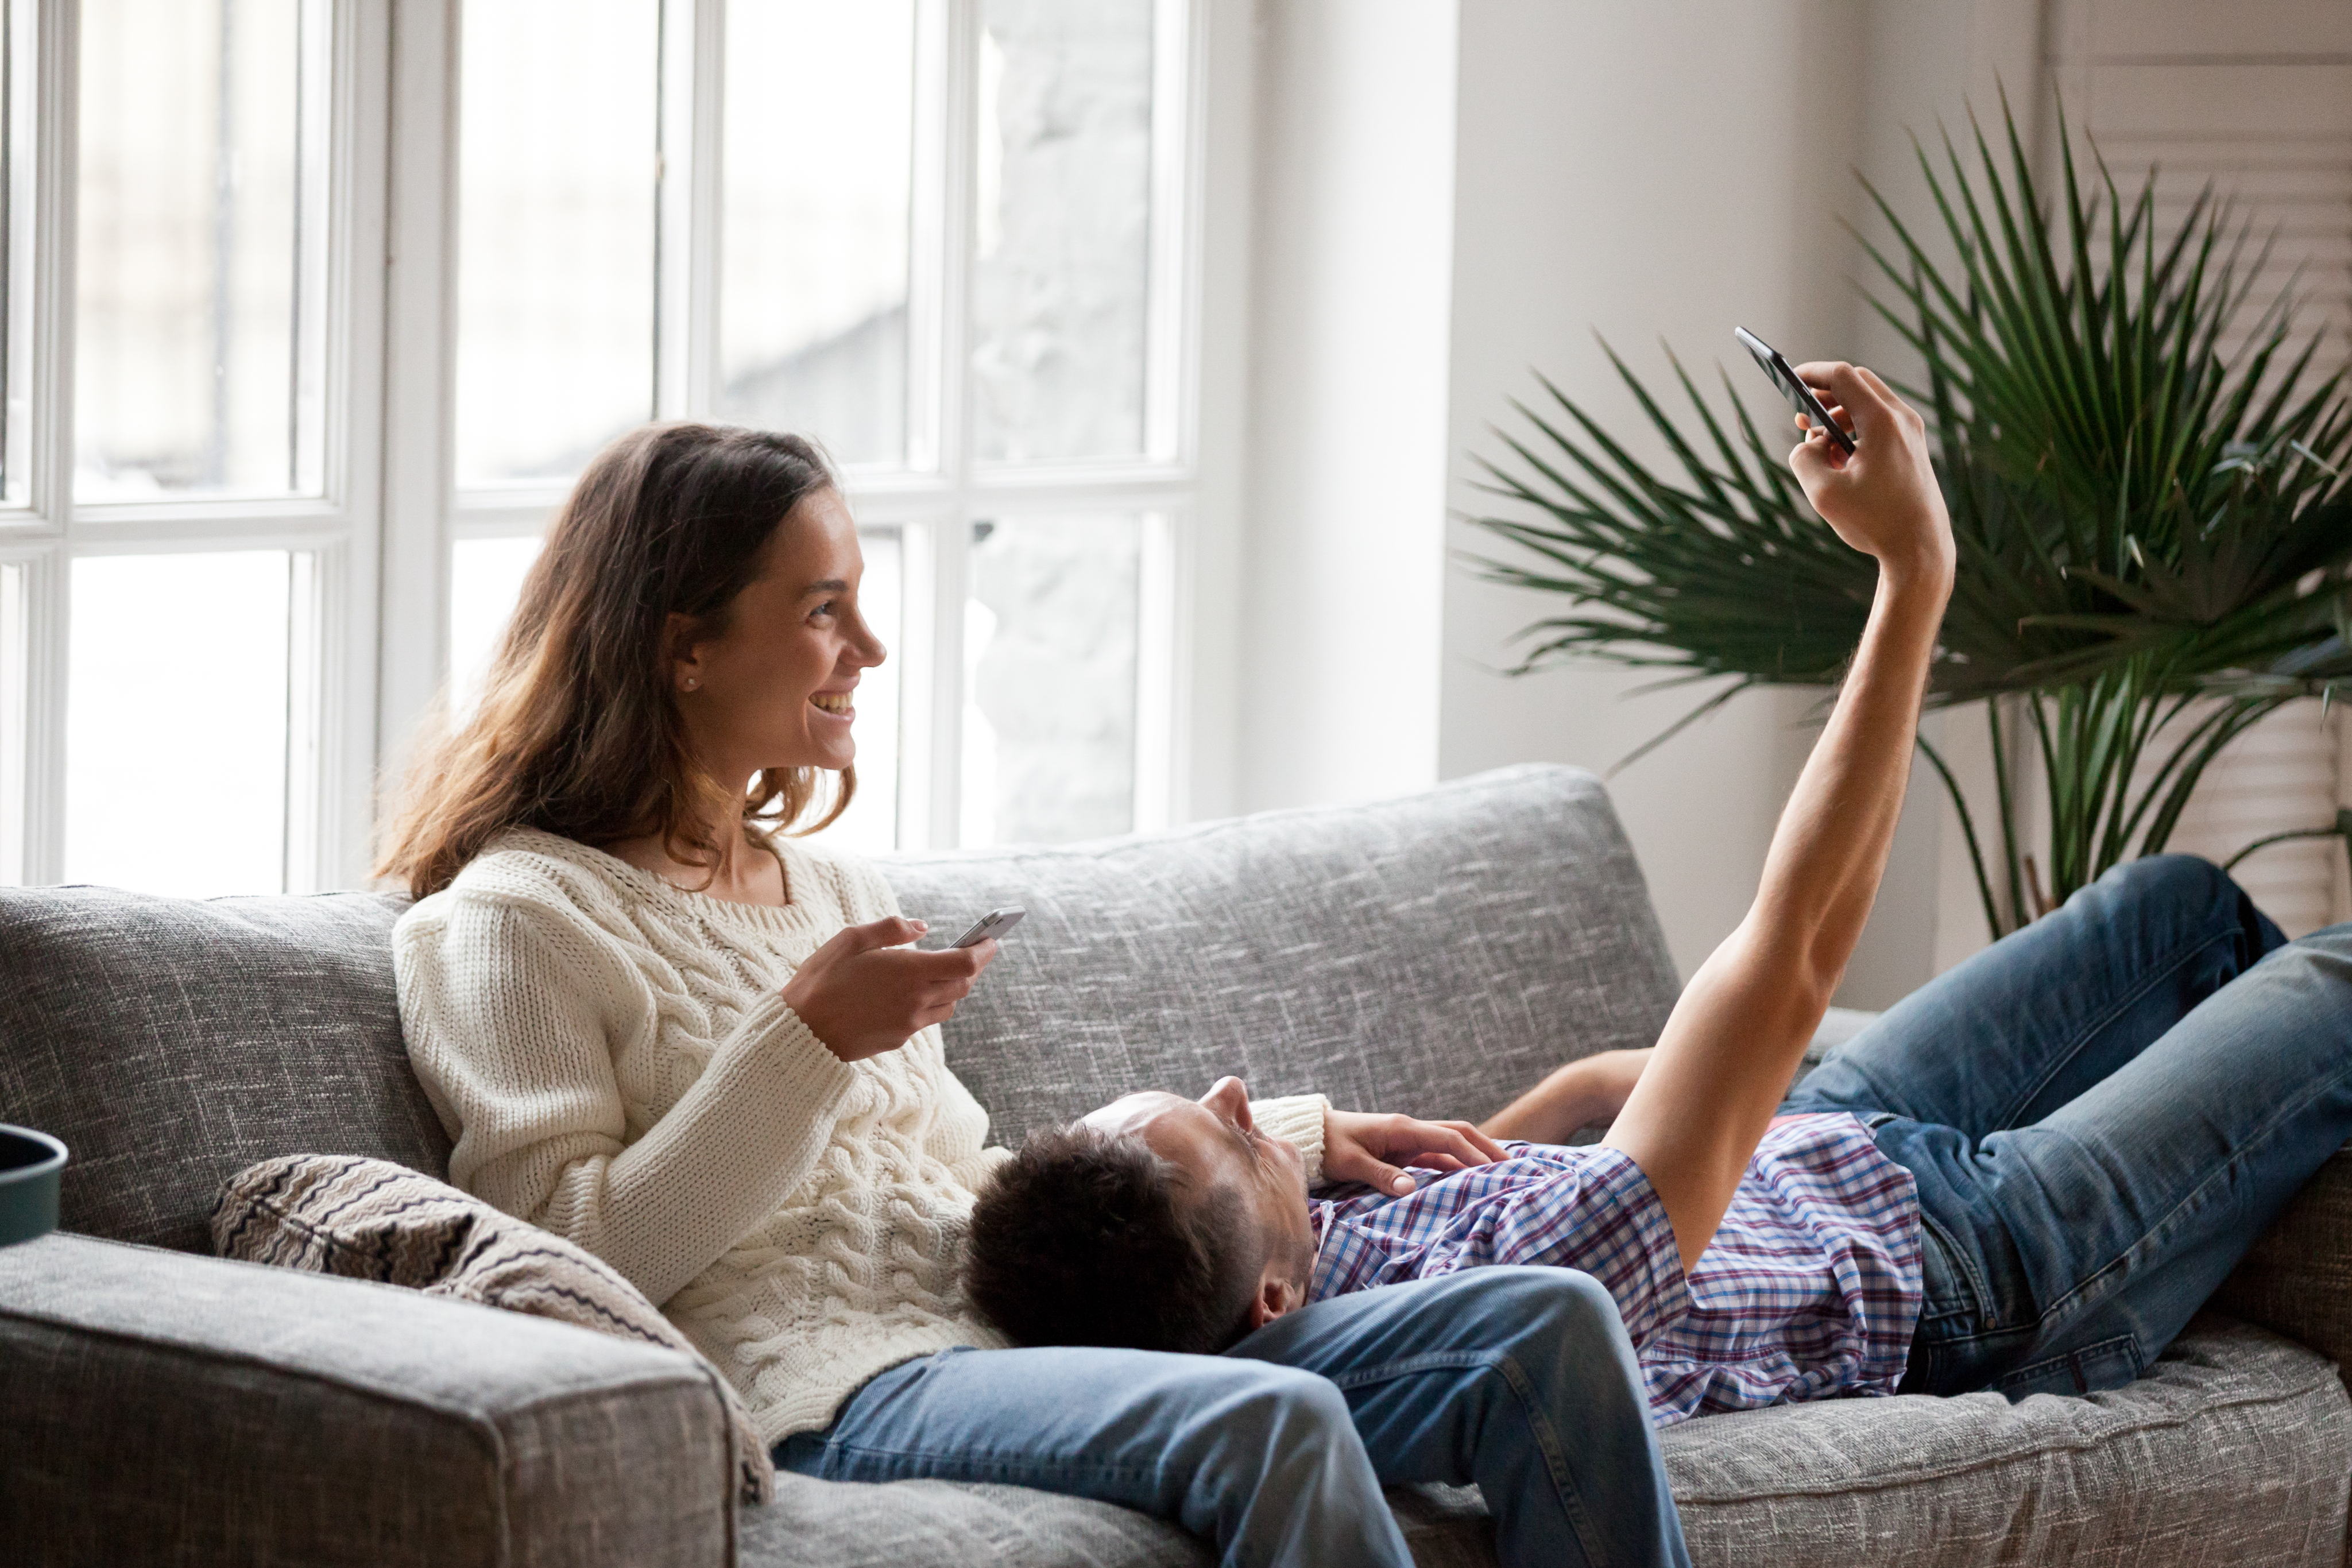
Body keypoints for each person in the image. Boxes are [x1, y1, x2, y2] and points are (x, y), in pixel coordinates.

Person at [378, 422, 1692, 1568]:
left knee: (1544, 1329)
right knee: (1270, 1422)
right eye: (823, 608)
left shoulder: (830, 889)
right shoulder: (509, 921)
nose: (870, 647)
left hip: (1008, 1333)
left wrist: (1277, 1143)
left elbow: (968, 1174)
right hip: (829, 1392)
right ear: (686, 650)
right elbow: (553, 1263)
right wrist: (799, 1046)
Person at [964, 370, 2352, 1421]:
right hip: (1973, 1269)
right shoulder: (1525, 1307)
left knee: (2169, 912)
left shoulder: (1319, 1248)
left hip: (1829, 1139)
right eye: (1224, 1145)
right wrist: (1912, 571)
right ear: (1266, 1308)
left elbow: (1552, 1146)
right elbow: (1792, 948)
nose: (1227, 1096)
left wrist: (1570, 1099)